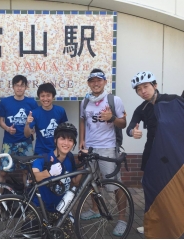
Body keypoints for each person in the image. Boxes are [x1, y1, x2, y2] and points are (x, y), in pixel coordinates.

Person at [126, 71, 184, 237]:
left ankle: (178, 220)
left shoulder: (173, 100)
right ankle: (154, 220)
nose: (143, 91)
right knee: (150, 186)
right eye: (139, 89)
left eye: (145, 86)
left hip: (175, 152)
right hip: (153, 152)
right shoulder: (142, 109)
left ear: (155, 85)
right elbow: (130, 126)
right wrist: (132, 132)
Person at [79, 68, 127, 237]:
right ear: (89, 83)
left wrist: (112, 118)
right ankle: (95, 210)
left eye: (99, 80)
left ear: (105, 82)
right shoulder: (85, 101)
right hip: (90, 148)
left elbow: (123, 123)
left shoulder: (114, 100)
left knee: (114, 185)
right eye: (92, 81)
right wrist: (82, 140)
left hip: (108, 148)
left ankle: (122, 219)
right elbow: (83, 120)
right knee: (93, 182)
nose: (96, 83)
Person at [31, 123, 81, 239]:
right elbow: (34, 177)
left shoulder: (70, 158)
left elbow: (75, 181)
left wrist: (84, 167)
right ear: (55, 140)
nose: (66, 143)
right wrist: (48, 173)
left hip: (59, 209)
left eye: (70, 140)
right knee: (31, 232)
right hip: (40, 208)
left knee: (66, 233)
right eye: (62, 138)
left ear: (73, 143)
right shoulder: (44, 158)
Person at [0, 75, 38, 187]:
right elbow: (1, 121)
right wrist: (7, 128)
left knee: (27, 172)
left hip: (26, 143)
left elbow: (34, 122)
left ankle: (27, 201)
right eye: (17, 85)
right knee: (3, 172)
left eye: (22, 86)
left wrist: (32, 129)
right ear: (13, 87)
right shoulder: (5, 102)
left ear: (26, 87)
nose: (19, 88)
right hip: (9, 143)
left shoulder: (32, 103)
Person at [24, 83, 68, 155]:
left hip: (58, 150)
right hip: (41, 151)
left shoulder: (60, 111)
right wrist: (27, 124)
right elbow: (26, 135)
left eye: (48, 95)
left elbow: (65, 131)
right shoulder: (34, 113)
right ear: (39, 97)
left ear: (53, 97)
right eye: (42, 96)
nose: (45, 99)